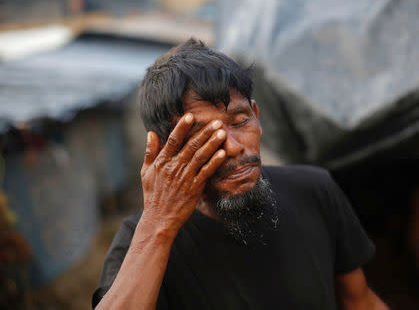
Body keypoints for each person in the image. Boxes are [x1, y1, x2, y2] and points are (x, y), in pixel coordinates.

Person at [92, 38, 389, 310]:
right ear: (164, 153)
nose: (232, 148)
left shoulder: (315, 190)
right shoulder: (142, 241)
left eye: (239, 121)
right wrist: (158, 225)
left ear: (257, 118)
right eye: (203, 137)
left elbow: (360, 301)